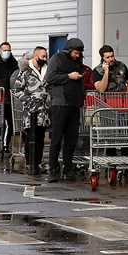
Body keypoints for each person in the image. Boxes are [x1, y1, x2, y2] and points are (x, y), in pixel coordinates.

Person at [44, 38, 87, 183]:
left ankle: (68, 169)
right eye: (75, 53)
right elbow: (49, 77)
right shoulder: (57, 59)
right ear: (69, 51)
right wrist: (69, 76)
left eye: (79, 53)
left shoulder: (78, 62)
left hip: (74, 104)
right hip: (60, 103)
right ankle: (53, 170)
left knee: (71, 139)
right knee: (56, 138)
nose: (77, 55)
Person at [11, 47, 51, 175]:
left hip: (44, 111)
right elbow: (17, 90)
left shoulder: (47, 70)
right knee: (30, 137)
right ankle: (30, 163)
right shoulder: (26, 72)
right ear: (35, 56)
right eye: (43, 56)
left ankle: (37, 163)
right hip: (30, 111)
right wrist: (28, 100)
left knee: (40, 137)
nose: (45, 59)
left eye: (46, 56)